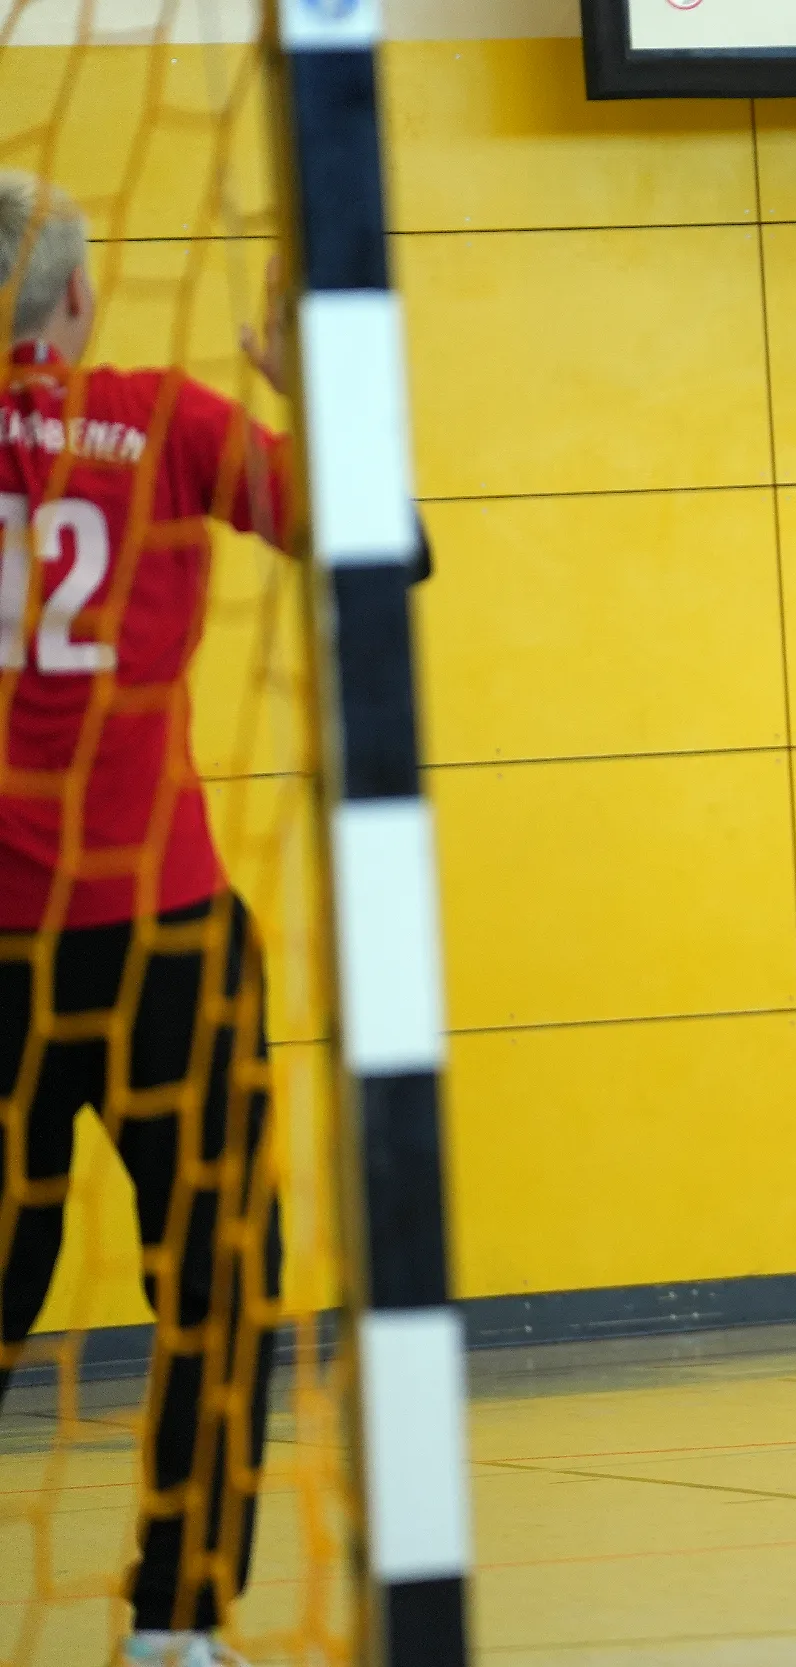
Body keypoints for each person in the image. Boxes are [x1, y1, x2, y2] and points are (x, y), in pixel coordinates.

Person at [0, 171, 296, 1667]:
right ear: (76, 294)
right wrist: (311, 391)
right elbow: (383, 542)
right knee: (218, 1282)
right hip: (160, 933)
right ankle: (174, 1627)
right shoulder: (163, 419)